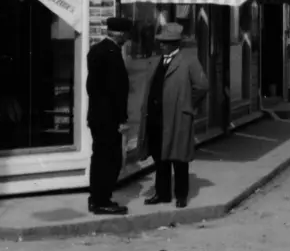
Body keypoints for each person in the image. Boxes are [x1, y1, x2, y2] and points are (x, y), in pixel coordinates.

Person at [140, 18, 208, 208]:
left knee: (178, 158)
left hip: (177, 117)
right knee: (159, 157)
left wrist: (188, 103)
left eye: (165, 42)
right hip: (156, 117)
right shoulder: (156, 61)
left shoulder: (188, 61)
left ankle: (181, 195)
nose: (161, 45)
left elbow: (202, 86)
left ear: (174, 44)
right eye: (160, 42)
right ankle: (162, 193)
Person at [86, 17, 132, 215]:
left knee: (99, 157)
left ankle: (96, 196)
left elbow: (91, 87)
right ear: (120, 34)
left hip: (97, 115)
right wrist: (121, 119)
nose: (128, 39)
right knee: (110, 159)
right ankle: (102, 200)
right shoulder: (113, 55)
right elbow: (117, 91)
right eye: (126, 35)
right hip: (109, 118)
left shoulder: (96, 50)